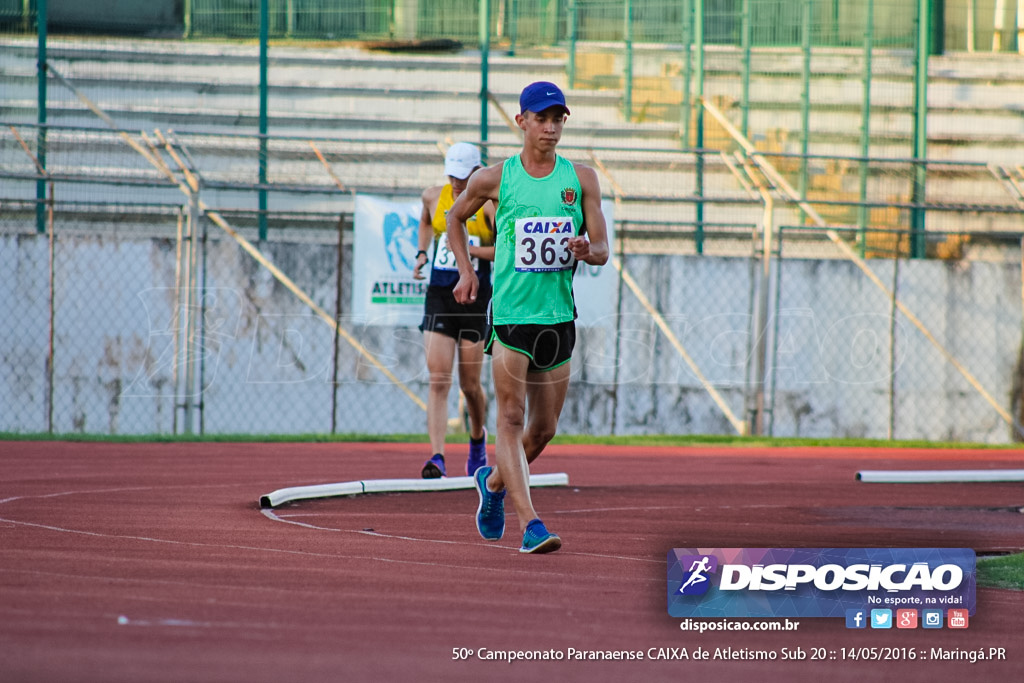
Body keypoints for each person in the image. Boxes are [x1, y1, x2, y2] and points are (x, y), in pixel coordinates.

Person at [444, 82, 610, 554]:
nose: (551, 128)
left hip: (558, 318)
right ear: (522, 122)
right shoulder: (496, 178)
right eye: (542, 119)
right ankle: (530, 524)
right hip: (513, 317)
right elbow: (454, 219)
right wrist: (465, 270)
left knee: (543, 431)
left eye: (558, 119)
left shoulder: (582, 180)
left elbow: (601, 250)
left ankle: (493, 484)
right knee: (511, 418)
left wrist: (585, 248)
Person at [413, 142, 496, 479]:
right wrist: (422, 252)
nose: (458, 182)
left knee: (470, 384)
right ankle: (437, 456)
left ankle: (477, 438)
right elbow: (424, 223)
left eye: (464, 176)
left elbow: (507, 250)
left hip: (476, 295)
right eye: (453, 175)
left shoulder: (490, 205)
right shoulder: (433, 196)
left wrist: (469, 248)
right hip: (441, 292)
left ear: (478, 170)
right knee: (438, 378)